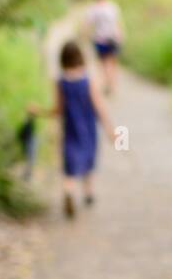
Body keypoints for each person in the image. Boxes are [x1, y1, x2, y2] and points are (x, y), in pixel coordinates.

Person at [30, 40, 115, 218]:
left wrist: (38, 111)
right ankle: (88, 193)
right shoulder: (87, 80)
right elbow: (99, 106)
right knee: (88, 160)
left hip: (70, 130)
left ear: (63, 59)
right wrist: (109, 129)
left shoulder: (60, 82)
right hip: (88, 129)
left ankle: (69, 192)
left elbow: (57, 110)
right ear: (80, 58)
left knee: (70, 166)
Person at [85, 0, 123, 96]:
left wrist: (86, 36)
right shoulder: (112, 6)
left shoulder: (93, 8)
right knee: (113, 62)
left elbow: (87, 24)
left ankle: (108, 83)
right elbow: (118, 23)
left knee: (103, 63)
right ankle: (113, 85)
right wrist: (120, 35)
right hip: (113, 38)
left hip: (100, 39)